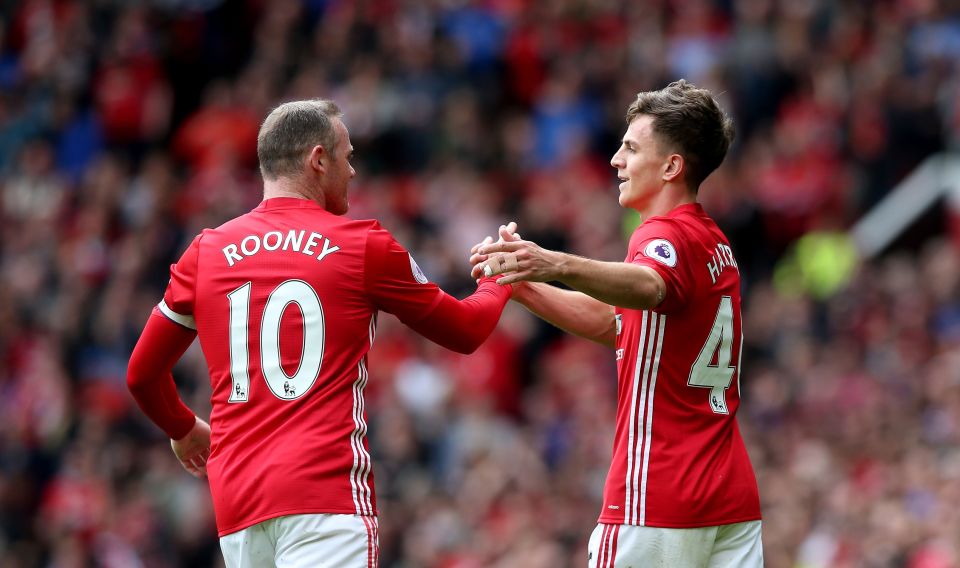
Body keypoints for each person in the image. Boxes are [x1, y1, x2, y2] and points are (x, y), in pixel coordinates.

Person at [126, 99, 512, 568]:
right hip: (326, 500)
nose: (352, 171)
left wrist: (183, 429)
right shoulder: (362, 244)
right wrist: (498, 276)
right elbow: (466, 329)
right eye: (347, 157)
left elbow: (143, 375)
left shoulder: (206, 251)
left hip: (239, 511)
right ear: (318, 159)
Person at [472, 80, 763, 567]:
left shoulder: (663, 235)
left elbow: (650, 285)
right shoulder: (713, 241)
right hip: (728, 496)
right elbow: (618, 323)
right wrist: (522, 284)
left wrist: (554, 262)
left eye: (630, 147)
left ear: (671, 166)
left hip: (658, 491)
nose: (615, 160)